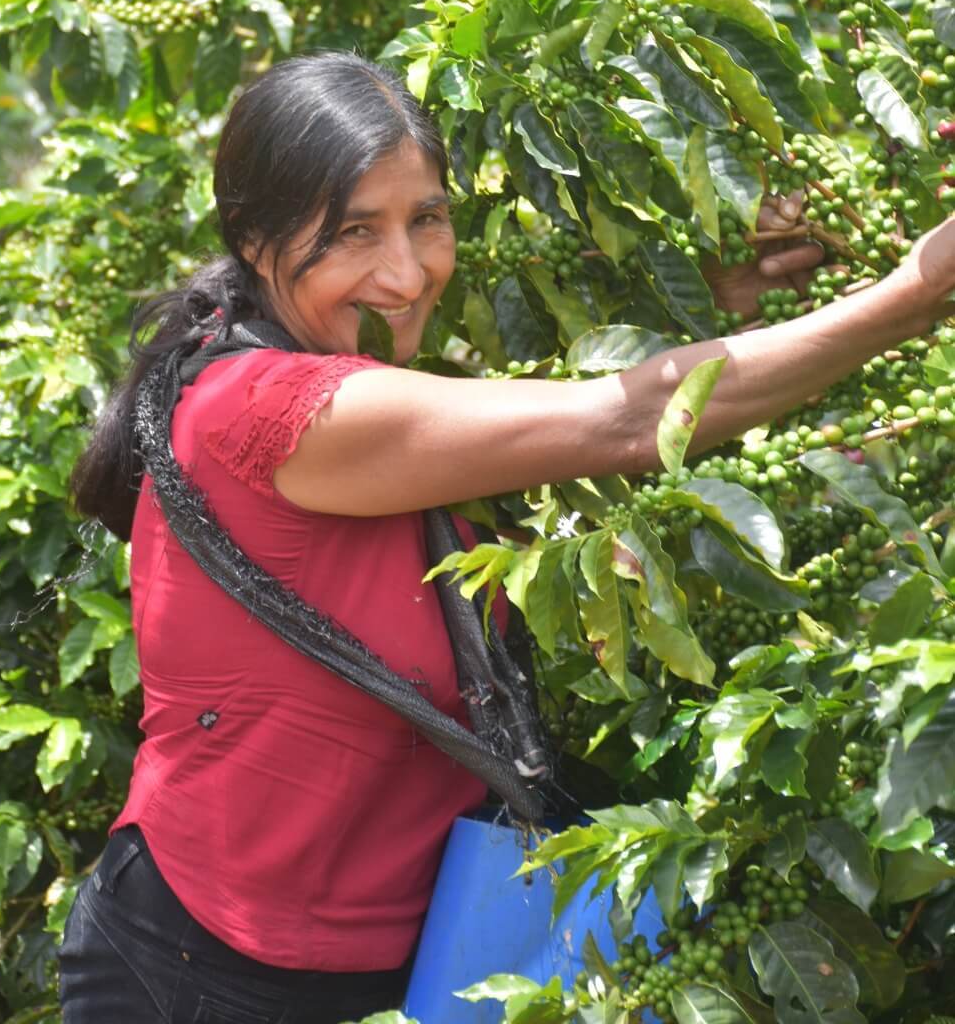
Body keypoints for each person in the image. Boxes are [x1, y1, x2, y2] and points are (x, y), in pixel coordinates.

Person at [59, 52, 955, 1024]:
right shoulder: (263, 405)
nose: (407, 274)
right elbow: (619, 424)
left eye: (427, 218)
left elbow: (529, 414)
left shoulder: (340, 367)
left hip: (401, 952)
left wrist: (716, 295)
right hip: (207, 970)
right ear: (252, 235)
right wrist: (913, 292)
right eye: (353, 232)